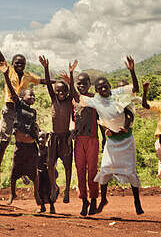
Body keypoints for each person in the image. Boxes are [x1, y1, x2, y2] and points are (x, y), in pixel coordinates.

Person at [83, 56, 148, 216]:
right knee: (105, 170)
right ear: (97, 91)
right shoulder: (96, 100)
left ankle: (137, 202)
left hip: (126, 141)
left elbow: (135, 92)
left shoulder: (119, 95)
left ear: (109, 86)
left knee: (131, 172)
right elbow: (77, 97)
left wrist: (132, 70)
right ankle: (103, 199)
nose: (103, 89)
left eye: (105, 86)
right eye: (100, 88)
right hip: (111, 142)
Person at [0, 23, 51, 184]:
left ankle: (23, 171)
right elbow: (0, 55)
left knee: (23, 140)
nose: (19, 65)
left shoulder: (29, 76)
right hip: (9, 109)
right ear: (13, 63)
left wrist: (64, 82)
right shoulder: (8, 70)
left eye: (22, 63)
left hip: (22, 111)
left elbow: (43, 81)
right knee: (4, 138)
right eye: (17, 62)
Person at [0, 61, 46, 213]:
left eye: (33, 95)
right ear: (22, 97)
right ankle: (13, 194)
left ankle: (37, 195)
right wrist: (6, 74)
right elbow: (12, 89)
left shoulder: (33, 112)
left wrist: (39, 132)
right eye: (29, 94)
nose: (32, 96)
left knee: (34, 174)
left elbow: (34, 126)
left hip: (31, 147)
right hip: (20, 146)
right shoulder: (18, 105)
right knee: (14, 173)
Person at [39, 55, 77, 204]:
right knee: (50, 164)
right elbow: (48, 84)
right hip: (54, 137)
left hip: (65, 137)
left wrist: (71, 75)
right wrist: (46, 68)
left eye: (63, 92)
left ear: (67, 93)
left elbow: (73, 92)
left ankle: (67, 190)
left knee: (68, 166)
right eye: (58, 92)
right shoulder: (53, 99)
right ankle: (54, 187)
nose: (61, 94)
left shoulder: (69, 100)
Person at [70, 71, 102, 216]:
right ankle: (84, 201)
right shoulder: (74, 100)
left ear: (90, 84)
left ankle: (94, 199)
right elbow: (73, 119)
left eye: (84, 83)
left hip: (92, 139)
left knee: (92, 171)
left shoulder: (95, 99)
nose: (81, 85)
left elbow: (101, 119)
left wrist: (105, 137)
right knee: (80, 171)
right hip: (79, 140)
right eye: (79, 83)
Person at [35, 133, 58, 213]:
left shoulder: (48, 150)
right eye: (40, 137)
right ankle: (42, 206)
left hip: (48, 173)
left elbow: (53, 163)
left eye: (43, 138)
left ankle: (52, 206)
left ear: (46, 139)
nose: (41, 140)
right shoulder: (35, 150)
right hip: (39, 173)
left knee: (49, 188)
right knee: (39, 188)